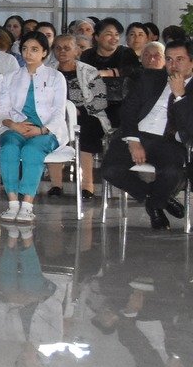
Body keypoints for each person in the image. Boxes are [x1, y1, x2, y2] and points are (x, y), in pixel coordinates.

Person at [103, 40, 192, 230]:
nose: (173, 65)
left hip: (169, 141)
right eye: (169, 59)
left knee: (172, 172)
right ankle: (159, 199)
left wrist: (180, 96)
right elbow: (128, 110)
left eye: (180, 59)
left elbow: (190, 128)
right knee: (110, 170)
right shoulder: (150, 77)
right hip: (136, 134)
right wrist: (133, 141)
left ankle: (154, 204)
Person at [0, 35, 68, 224]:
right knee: (9, 148)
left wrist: (42, 130)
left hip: (46, 131)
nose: (28, 53)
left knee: (32, 150)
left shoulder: (56, 77)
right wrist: (13, 125)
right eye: (25, 48)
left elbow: (59, 111)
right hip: (16, 128)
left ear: (44, 52)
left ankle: (27, 205)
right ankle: (12, 203)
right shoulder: (10, 77)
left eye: (34, 49)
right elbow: (2, 110)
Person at [53, 32, 109, 198]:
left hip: (89, 114)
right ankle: (56, 185)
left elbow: (100, 101)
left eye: (67, 48)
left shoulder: (89, 71)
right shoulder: (49, 72)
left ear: (77, 50)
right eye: (58, 48)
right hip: (57, 114)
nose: (62, 51)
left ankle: (87, 185)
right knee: (52, 130)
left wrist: (79, 111)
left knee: (86, 130)